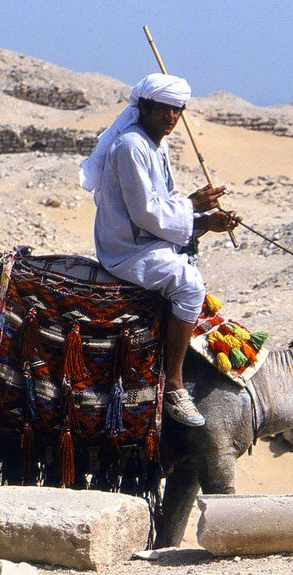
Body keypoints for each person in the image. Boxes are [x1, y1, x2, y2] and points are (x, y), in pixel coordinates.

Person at [80, 73, 239, 427]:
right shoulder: (130, 147)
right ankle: (175, 385)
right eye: (164, 110)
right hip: (127, 248)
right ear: (146, 108)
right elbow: (145, 213)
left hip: (148, 238)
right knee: (189, 285)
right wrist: (193, 207)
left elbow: (165, 203)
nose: (171, 118)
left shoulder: (156, 146)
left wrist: (204, 219)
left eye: (177, 111)